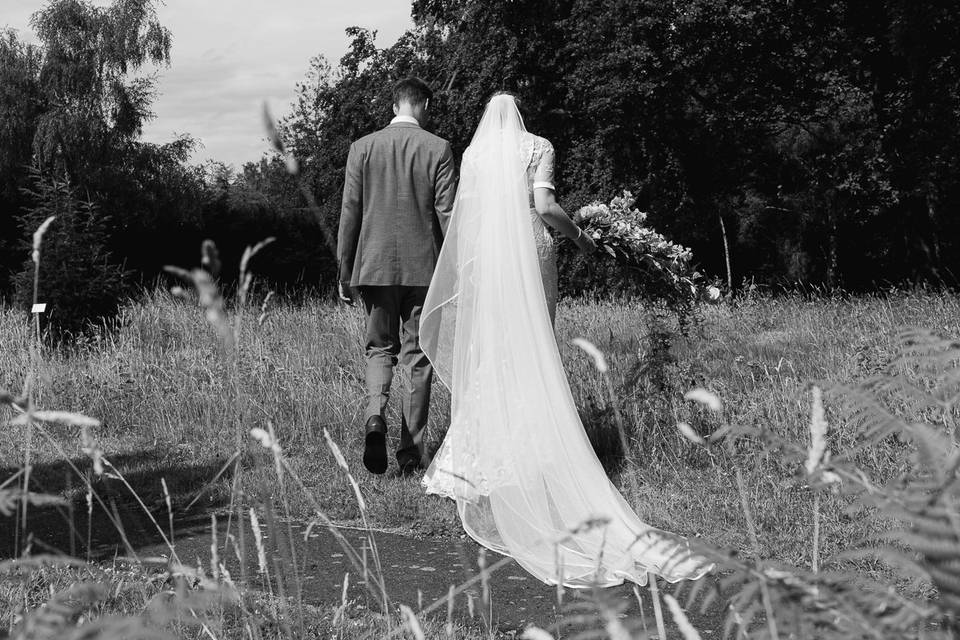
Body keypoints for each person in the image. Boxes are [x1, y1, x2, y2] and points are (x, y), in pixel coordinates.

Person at [419, 93, 710, 587]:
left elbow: (464, 218)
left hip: (485, 260)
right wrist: (580, 237)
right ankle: (532, 460)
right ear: (523, 116)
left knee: (494, 355)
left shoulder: (473, 154)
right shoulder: (538, 148)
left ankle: (471, 464)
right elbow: (544, 206)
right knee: (531, 353)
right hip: (530, 255)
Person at [337, 77, 458, 476]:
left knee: (378, 350)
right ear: (422, 104)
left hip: (372, 267)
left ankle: (375, 415)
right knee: (418, 357)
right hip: (424, 268)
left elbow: (350, 212)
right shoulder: (438, 148)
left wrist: (344, 270)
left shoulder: (362, 148)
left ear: (394, 106)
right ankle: (410, 453)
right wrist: (457, 266)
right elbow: (446, 215)